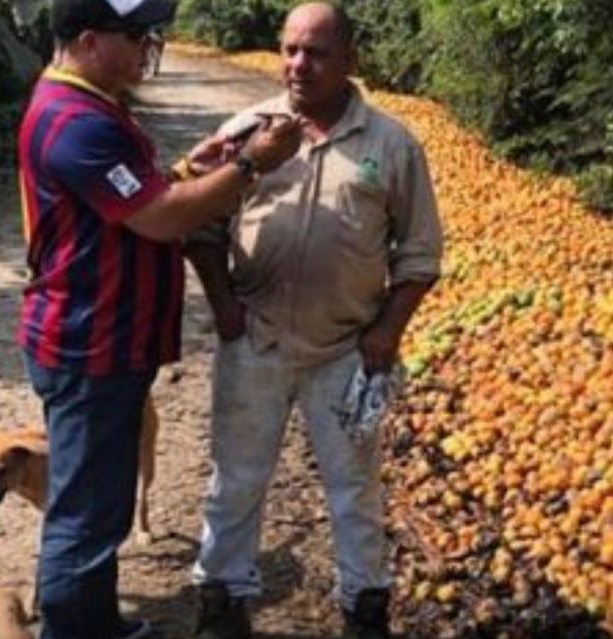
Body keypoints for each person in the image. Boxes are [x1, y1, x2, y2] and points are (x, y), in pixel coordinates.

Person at [15, 1, 303, 638]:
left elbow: (132, 198)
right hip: (92, 341)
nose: (151, 44)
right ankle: (73, 630)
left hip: (101, 338)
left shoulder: (91, 104)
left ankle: (90, 619)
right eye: (137, 33)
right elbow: (164, 217)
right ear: (90, 41)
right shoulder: (76, 122)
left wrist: (185, 170)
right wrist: (251, 164)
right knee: (87, 514)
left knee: (97, 502)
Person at [184, 3, 444, 638]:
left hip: (346, 350)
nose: (300, 64)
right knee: (236, 480)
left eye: (317, 52)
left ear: (350, 61)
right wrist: (223, 307)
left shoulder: (391, 143)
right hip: (257, 341)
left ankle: (364, 604)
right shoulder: (248, 131)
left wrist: (386, 333)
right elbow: (201, 225)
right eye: (291, 49)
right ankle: (223, 596)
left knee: (353, 488)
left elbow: (419, 254)